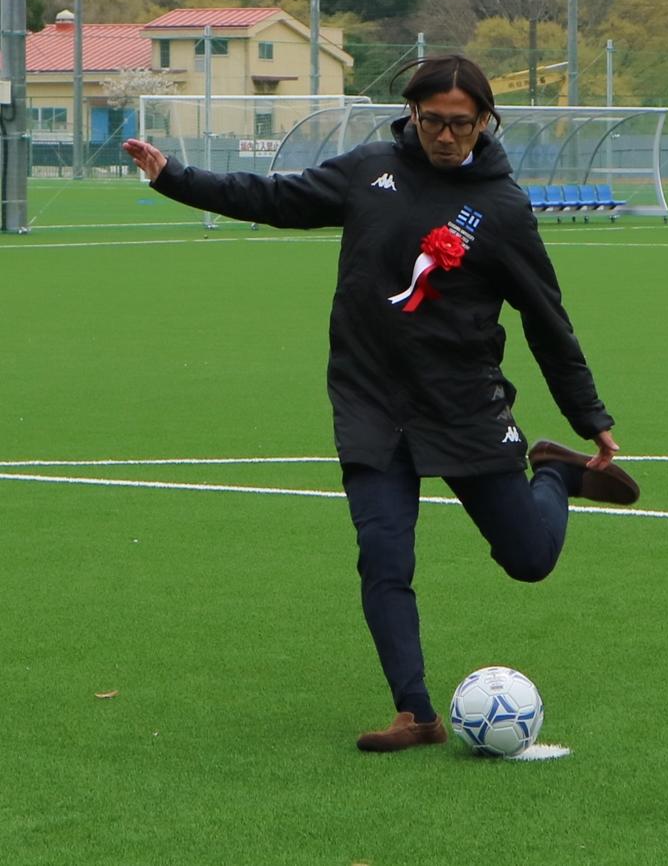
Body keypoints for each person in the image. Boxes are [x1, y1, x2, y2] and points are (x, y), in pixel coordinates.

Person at [123, 54, 639, 753]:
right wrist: (173, 177)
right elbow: (275, 199)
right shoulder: (370, 171)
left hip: (462, 405)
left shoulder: (502, 209)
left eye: (462, 123)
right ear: (412, 114)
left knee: (529, 559)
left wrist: (590, 416)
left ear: (486, 122)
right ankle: (415, 712)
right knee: (384, 555)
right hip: (371, 402)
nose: (446, 136)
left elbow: (547, 320)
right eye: (433, 121)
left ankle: (552, 471)